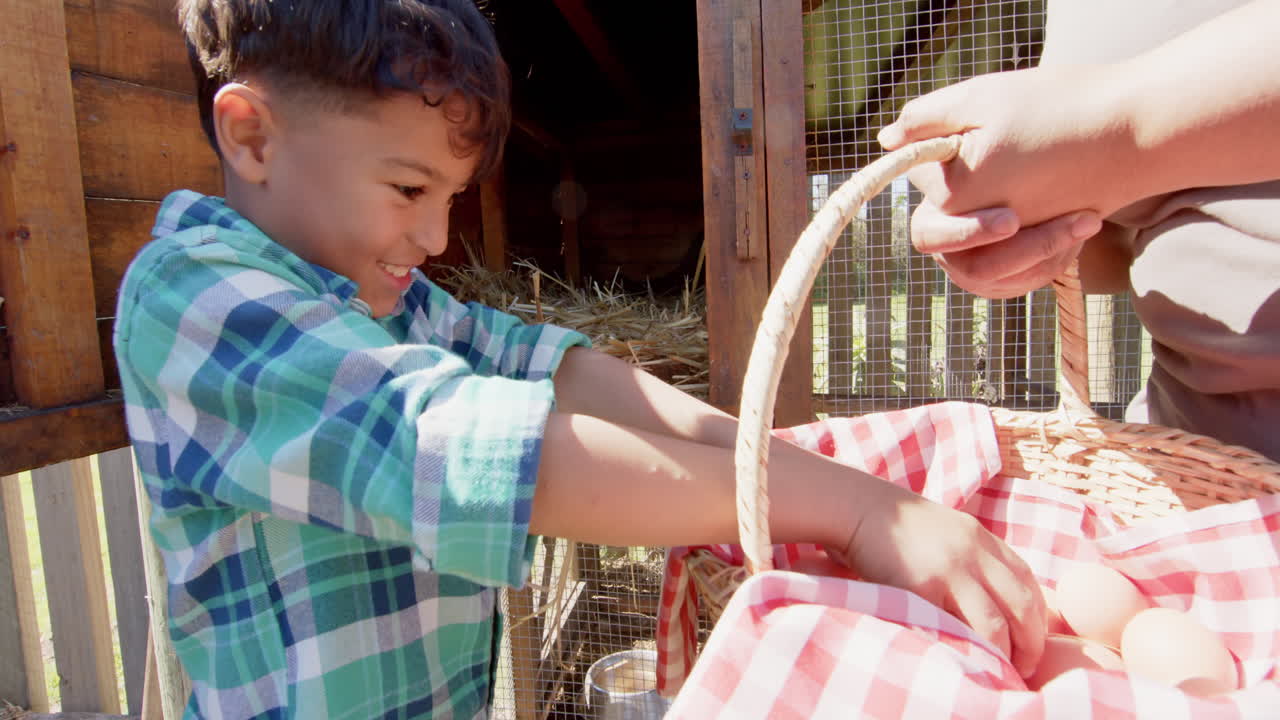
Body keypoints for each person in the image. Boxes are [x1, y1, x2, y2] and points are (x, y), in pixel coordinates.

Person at [113, 1, 1047, 716]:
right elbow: (476, 450)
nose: (437, 237)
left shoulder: (380, 299)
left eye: (450, 195)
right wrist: (848, 508)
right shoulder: (194, 299)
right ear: (252, 135)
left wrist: (805, 477)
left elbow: (554, 369)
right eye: (408, 188)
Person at [878, 0, 1280, 461]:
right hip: (1186, 464)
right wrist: (1018, 240)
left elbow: (1116, 136)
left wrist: (1117, 134)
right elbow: (1119, 251)